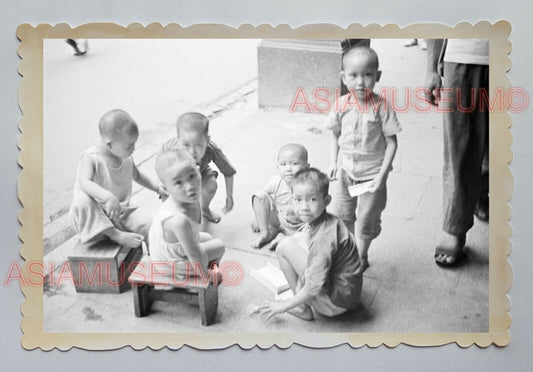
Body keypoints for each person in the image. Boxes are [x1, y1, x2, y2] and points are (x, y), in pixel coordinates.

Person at [326, 46, 401, 271]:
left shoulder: (382, 107)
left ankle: (362, 254)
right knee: (343, 214)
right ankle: (349, 250)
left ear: (377, 76)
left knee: (367, 219)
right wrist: (333, 161)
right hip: (346, 172)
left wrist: (382, 174)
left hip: (371, 177)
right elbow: (335, 133)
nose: (360, 82)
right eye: (353, 75)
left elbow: (392, 143)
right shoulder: (341, 104)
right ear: (344, 77)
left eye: (367, 75)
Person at [256, 168, 363, 321]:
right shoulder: (327, 221)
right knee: (297, 237)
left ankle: (301, 308)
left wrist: (282, 306)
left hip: (336, 303)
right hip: (348, 292)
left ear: (326, 201)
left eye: (312, 199)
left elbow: (314, 287)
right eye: (298, 199)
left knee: (284, 247)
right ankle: (302, 289)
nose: (304, 207)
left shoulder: (323, 238)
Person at [425, 39, 489, 266]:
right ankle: (456, 227)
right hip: (466, 54)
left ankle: (482, 192)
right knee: (460, 149)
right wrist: (432, 68)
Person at [69, 109, 164, 248]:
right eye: (129, 145)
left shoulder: (124, 156)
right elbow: (84, 182)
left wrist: (158, 189)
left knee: (153, 225)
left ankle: (159, 257)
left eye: (134, 143)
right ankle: (116, 235)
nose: (134, 148)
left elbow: (137, 176)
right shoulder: (91, 157)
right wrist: (107, 197)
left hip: (119, 213)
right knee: (81, 199)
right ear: (109, 145)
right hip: (92, 220)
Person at [149, 148, 225, 278]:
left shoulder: (188, 198)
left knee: (208, 238)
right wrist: (207, 275)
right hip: (168, 263)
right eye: (178, 182)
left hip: (177, 249)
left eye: (192, 176)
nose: (189, 186)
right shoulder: (178, 221)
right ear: (166, 189)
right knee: (219, 246)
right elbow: (194, 254)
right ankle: (202, 276)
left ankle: (203, 267)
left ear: (198, 169)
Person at [163, 112, 236, 224]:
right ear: (178, 140)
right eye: (186, 145)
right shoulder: (171, 151)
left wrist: (229, 196)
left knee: (211, 185)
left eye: (198, 145)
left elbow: (228, 172)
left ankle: (204, 208)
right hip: (176, 177)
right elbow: (162, 173)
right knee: (171, 201)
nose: (192, 152)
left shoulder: (211, 149)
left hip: (200, 172)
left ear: (207, 140)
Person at [251, 143, 309, 249]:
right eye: (283, 164)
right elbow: (263, 200)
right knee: (260, 195)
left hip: (302, 225)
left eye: (294, 163)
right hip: (279, 221)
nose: (288, 168)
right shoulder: (276, 181)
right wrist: (258, 219)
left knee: (314, 234)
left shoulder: (309, 184)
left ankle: (283, 238)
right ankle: (266, 233)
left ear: (306, 167)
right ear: (277, 167)